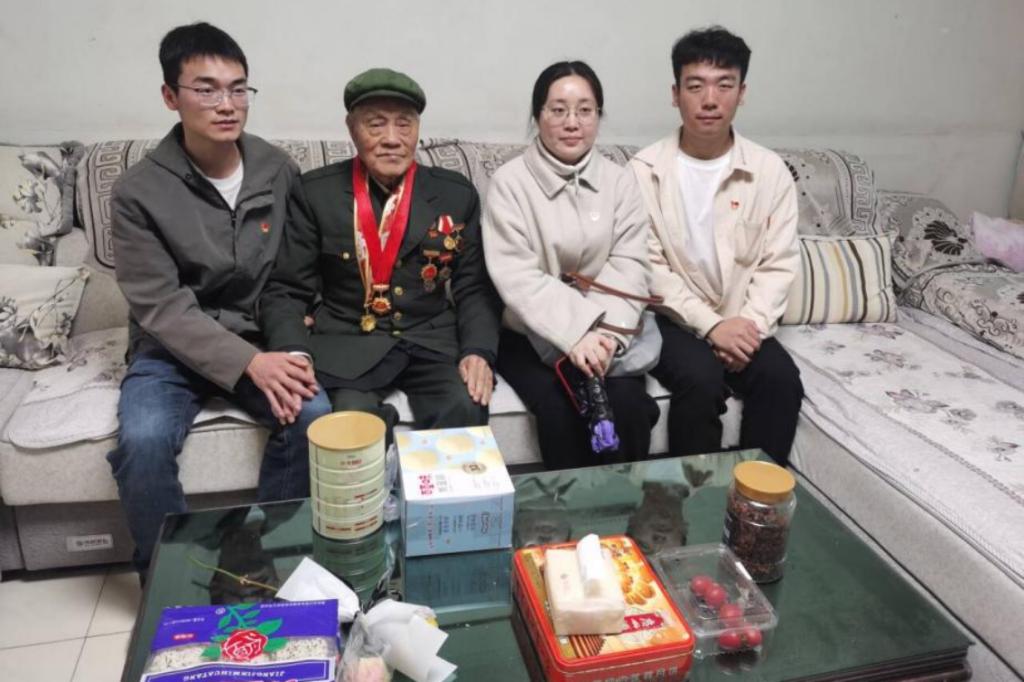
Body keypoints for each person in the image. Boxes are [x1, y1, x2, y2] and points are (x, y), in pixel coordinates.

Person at [107, 22, 332, 575]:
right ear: (170, 96)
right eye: (206, 90)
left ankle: (264, 560)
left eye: (238, 88)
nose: (227, 105)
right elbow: (160, 306)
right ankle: (172, 579)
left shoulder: (277, 169)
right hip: (169, 350)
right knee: (143, 441)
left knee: (312, 415)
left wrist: (293, 334)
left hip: (260, 335)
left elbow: (299, 265)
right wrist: (248, 363)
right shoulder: (137, 191)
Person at [259, 68, 501, 433]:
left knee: (464, 407)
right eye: (375, 125)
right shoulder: (316, 193)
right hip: (348, 339)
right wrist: (294, 351)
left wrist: (478, 351)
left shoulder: (455, 193)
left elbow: (474, 286)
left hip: (432, 338)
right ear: (351, 129)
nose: (391, 139)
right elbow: (286, 288)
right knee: (351, 424)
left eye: (404, 125)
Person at [630, 27, 803, 465]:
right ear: (675, 94)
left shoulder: (769, 172)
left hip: (742, 317)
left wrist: (746, 330)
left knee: (781, 379)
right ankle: (692, 499)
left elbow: (778, 264)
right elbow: (648, 268)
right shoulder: (643, 170)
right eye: (696, 86)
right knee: (701, 379)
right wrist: (711, 327)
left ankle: (755, 497)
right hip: (671, 319)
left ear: (741, 93)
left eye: (724, 85)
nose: (710, 99)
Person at [483, 61, 659, 470]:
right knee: (560, 412)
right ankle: (568, 513)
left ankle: (622, 508)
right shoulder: (509, 183)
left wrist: (604, 338)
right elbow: (516, 273)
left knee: (630, 407)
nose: (572, 123)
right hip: (529, 334)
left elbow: (631, 262)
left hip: (608, 333)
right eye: (558, 110)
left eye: (585, 110)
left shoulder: (619, 181)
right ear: (537, 116)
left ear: (598, 115)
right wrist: (576, 331)